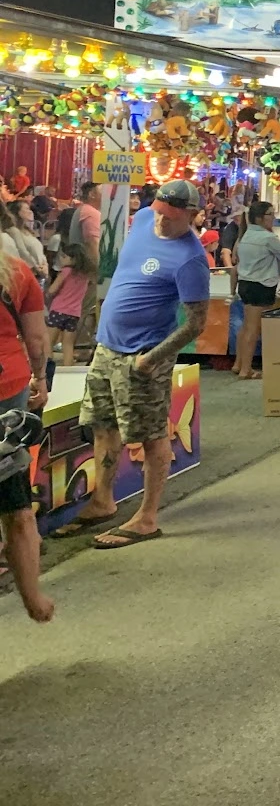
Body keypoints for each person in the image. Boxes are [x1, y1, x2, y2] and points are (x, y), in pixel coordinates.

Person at [60, 180, 211, 549]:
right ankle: (103, 500)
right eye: (160, 211)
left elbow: (195, 323)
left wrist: (151, 359)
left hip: (142, 356)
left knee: (151, 435)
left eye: (172, 217)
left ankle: (147, 517)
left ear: (192, 216)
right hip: (107, 348)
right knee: (103, 425)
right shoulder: (143, 219)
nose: (162, 221)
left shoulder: (191, 259)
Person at [0, 257, 49, 621]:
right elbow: (35, 337)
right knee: (15, 502)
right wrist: (40, 378)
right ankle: (33, 600)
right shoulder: (15, 271)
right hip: (7, 390)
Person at [232, 200, 280, 379]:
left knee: (245, 326)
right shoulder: (268, 238)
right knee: (253, 329)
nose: (273, 218)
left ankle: (238, 363)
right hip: (261, 285)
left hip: (245, 284)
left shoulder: (246, 235)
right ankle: (246, 370)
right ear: (259, 218)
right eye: (270, 214)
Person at [45, 242, 96, 367]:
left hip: (58, 310)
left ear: (73, 259)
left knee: (48, 343)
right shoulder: (85, 275)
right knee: (68, 345)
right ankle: (68, 370)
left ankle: (47, 370)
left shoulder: (66, 271)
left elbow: (52, 290)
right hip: (74, 313)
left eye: (64, 257)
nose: (61, 259)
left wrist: (47, 288)